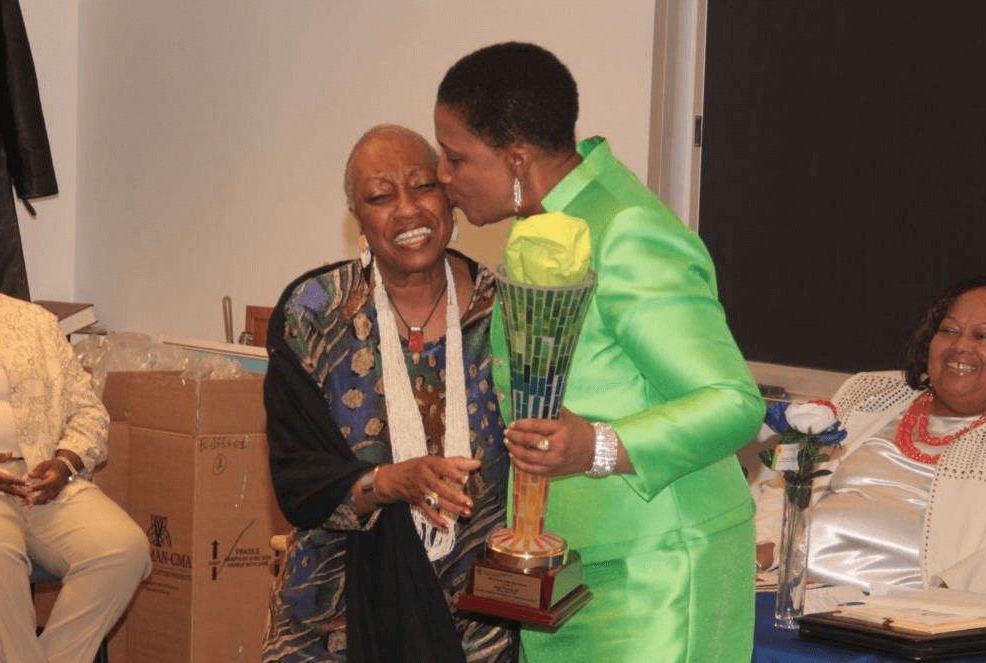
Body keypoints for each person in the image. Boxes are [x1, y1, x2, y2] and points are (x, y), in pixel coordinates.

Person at [434, 42, 766, 663]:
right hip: (570, 566)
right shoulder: (547, 220)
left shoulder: (627, 231)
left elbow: (733, 401)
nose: (443, 177)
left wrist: (598, 446)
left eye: (455, 158)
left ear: (517, 159)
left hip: (657, 570)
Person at [261, 125, 518, 663]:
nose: (407, 209)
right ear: (357, 218)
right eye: (380, 197)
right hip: (338, 617)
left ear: (449, 195)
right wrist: (386, 482)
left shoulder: (502, 311)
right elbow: (297, 482)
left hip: (477, 621)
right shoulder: (313, 313)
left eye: (422, 186)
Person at [755, 276, 986, 593]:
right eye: (949, 331)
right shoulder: (870, 393)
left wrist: (939, 601)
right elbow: (789, 481)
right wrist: (764, 549)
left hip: (906, 610)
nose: (960, 346)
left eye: (982, 336)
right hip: (795, 589)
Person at [0, 268, 151, 662]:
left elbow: (89, 410)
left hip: (41, 480)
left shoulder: (32, 322)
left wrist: (65, 463)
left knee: (122, 549)